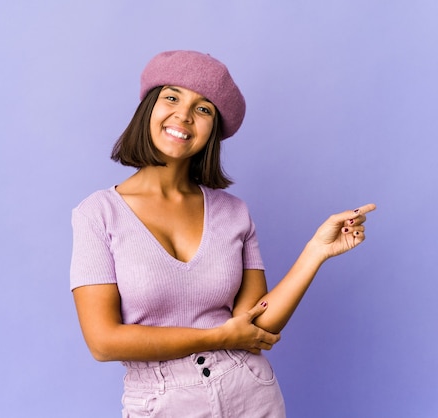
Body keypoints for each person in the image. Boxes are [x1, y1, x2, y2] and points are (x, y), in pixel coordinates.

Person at [70, 50, 376, 417]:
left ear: (212, 130)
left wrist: (315, 251)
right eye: (171, 97)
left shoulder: (234, 212)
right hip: (162, 402)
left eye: (204, 109)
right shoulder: (97, 214)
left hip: (251, 394)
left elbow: (256, 324)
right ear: (148, 108)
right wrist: (217, 337)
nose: (183, 115)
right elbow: (103, 342)